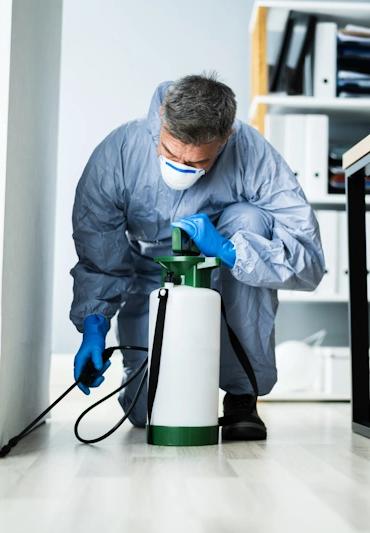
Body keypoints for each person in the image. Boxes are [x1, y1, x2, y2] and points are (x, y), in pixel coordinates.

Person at [69, 73, 324, 440]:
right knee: (148, 412)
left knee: (249, 218)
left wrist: (230, 250)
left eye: (198, 163)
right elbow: (99, 254)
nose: (181, 167)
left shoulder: (249, 151)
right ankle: (143, 388)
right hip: (151, 277)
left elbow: (308, 256)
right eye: (171, 152)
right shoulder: (118, 155)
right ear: (161, 118)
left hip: (220, 271)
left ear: (226, 139)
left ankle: (240, 396)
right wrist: (94, 328)